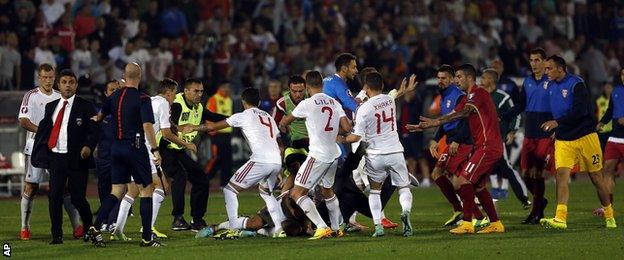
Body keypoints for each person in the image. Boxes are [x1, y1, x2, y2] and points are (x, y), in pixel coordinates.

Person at [408, 64, 505, 234]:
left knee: (461, 181)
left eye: (459, 77)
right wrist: (430, 125)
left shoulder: (478, 93)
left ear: (469, 78)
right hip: (482, 146)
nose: (457, 80)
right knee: (479, 187)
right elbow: (452, 115)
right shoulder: (468, 97)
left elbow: (464, 113)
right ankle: (495, 223)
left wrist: (436, 123)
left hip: (487, 147)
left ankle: (467, 223)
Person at [111, 78, 196, 241]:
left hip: (131, 146)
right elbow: (166, 133)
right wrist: (186, 144)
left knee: (132, 191)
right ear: (169, 92)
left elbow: (165, 125)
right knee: (161, 187)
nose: (175, 97)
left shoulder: (150, 100)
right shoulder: (163, 103)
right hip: (145, 149)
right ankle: (148, 228)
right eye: (174, 94)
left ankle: (118, 230)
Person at [539, 55, 616, 229]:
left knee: (596, 178)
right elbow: (556, 110)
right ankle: (560, 218)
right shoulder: (549, 86)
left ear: (560, 68)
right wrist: (555, 128)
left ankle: (609, 215)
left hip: (586, 136)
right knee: (561, 175)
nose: (546, 72)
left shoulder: (576, 84)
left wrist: (557, 122)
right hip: (564, 139)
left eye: (549, 68)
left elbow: (581, 110)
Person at [91, 63, 162, 247]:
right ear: (140, 76)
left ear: (124, 75)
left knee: (117, 190)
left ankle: (96, 226)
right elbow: (147, 126)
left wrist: (96, 119)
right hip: (135, 147)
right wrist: (155, 150)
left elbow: (101, 115)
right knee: (147, 190)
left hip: (116, 149)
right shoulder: (143, 98)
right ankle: (147, 238)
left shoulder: (114, 96)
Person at [201, 87, 286, 238]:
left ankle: (233, 227)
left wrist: (192, 127)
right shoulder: (268, 116)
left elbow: (212, 127)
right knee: (267, 193)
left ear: (242, 102)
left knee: (229, 190)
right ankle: (279, 230)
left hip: (261, 160)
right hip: (276, 160)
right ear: (259, 102)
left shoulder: (243, 115)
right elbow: (279, 141)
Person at [338, 71, 414, 237]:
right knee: (403, 187)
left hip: (375, 155)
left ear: (366, 87)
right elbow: (394, 94)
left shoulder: (363, 109)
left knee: (374, 191)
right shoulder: (389, 101)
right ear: (382, 86)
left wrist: (341, 138)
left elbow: (356, 137)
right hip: (395, 151)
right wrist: (404, 90)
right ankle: (406, 212)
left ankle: (378, 226)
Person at [279, 71, 352, 239]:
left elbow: (285, 121)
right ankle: (337, 228)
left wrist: (285, 127)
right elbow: (347, 128)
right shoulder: (334, 102)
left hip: (318, 155)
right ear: (322, 85)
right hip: (334, 153)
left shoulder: (307, 104)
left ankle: (321, 226)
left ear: (307, 86)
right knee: (327, 191)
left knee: (296, 193)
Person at [31, 69, 99, 245]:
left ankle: (89, 227)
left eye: (71, 82)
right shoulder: (51, 107)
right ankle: (57, 236)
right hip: (56, 158)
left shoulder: (86, 106)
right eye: (64, 82)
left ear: (76, 85)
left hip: (77, 159)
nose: (67, 85)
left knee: (77, 198)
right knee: (54, 196)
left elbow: (94, 132)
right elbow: (45, 131)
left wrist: (88, 147)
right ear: (58, 85)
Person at [17, 64, 83, 241]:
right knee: (31, 187)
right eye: (44, 77)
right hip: (35, 147)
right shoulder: (31, 96)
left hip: (55, 148)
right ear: (39, 78)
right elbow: (23, 120)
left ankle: (77, 226)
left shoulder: (59, 96)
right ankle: (24, 227)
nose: (48, 80)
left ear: (54, 78)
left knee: (63, 188)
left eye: (51, 77)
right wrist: (43, 131)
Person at [162, 78, 226, 231]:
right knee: (180, 176)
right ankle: (177, 219)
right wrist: (184, 130)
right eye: (196, 91)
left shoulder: (199, 107)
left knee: (202, 179)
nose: (199, 94)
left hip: (178, 149)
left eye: (201, 91)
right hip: (163, 147)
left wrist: (235, 118)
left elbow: (212, 116)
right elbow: (170, 127)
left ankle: (197, 220)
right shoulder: (175, 104)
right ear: (185, 91)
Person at [500, 48, 552, 224]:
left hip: (545, 133)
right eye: (532, 60)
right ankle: (540, 201)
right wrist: (504, 115)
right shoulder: (528, 82)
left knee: (537, 172)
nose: (534, 64)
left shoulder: (552, 82)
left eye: (538, 60)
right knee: (525, 173)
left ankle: (536, 213)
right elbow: (521, 105)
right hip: (530, 132)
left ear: (545, 63)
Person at [427, 65, 473, 227]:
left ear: (452, 79)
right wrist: (435, 139)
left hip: (462, 141)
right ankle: (461, 210)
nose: (440, 81)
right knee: (440, 175)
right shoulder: (444, 96)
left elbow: (467, 120)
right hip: (451, 140)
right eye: (438, 78)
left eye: (444, 78)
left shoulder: (459, 96)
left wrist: (457, 140)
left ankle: (473, 212)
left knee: (458, 180)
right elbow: (444, 121)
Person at [481, 69, 530, 207]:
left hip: (496, 140)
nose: (481, 80)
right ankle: (474, 203)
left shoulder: (502, 97)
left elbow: (516, 114)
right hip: (480, 141)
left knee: (507, 169)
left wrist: (512, 131)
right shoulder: (480, 95)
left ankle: (524, 197)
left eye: (483, 78)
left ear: (490, 80)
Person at [273, 75, 309, 191]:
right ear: (289, 90)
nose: (298, 94)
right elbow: (276, 125)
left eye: (301, 91)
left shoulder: (311, 100)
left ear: (306, 89)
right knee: (295, 171)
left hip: (313, 144)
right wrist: (280, 143)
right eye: (294, 91)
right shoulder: (282, 103)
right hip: (293, 144)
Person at [94, 79, 121, 232]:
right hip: (103, 157)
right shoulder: (99, 111)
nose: (115, 93)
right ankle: (104, 220)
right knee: (104, 189)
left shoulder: (124, 110)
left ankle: (113, 221)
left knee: (118, 189)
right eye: (112, 90)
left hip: (119, 156)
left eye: (118, 90)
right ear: (106, 93)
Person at [597, 68, 624, 213]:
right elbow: (611, 110)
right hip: (614, 137)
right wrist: (602, 122)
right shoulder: (616, 91)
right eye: (623, 74)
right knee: (607, 170)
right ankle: (608, 207)